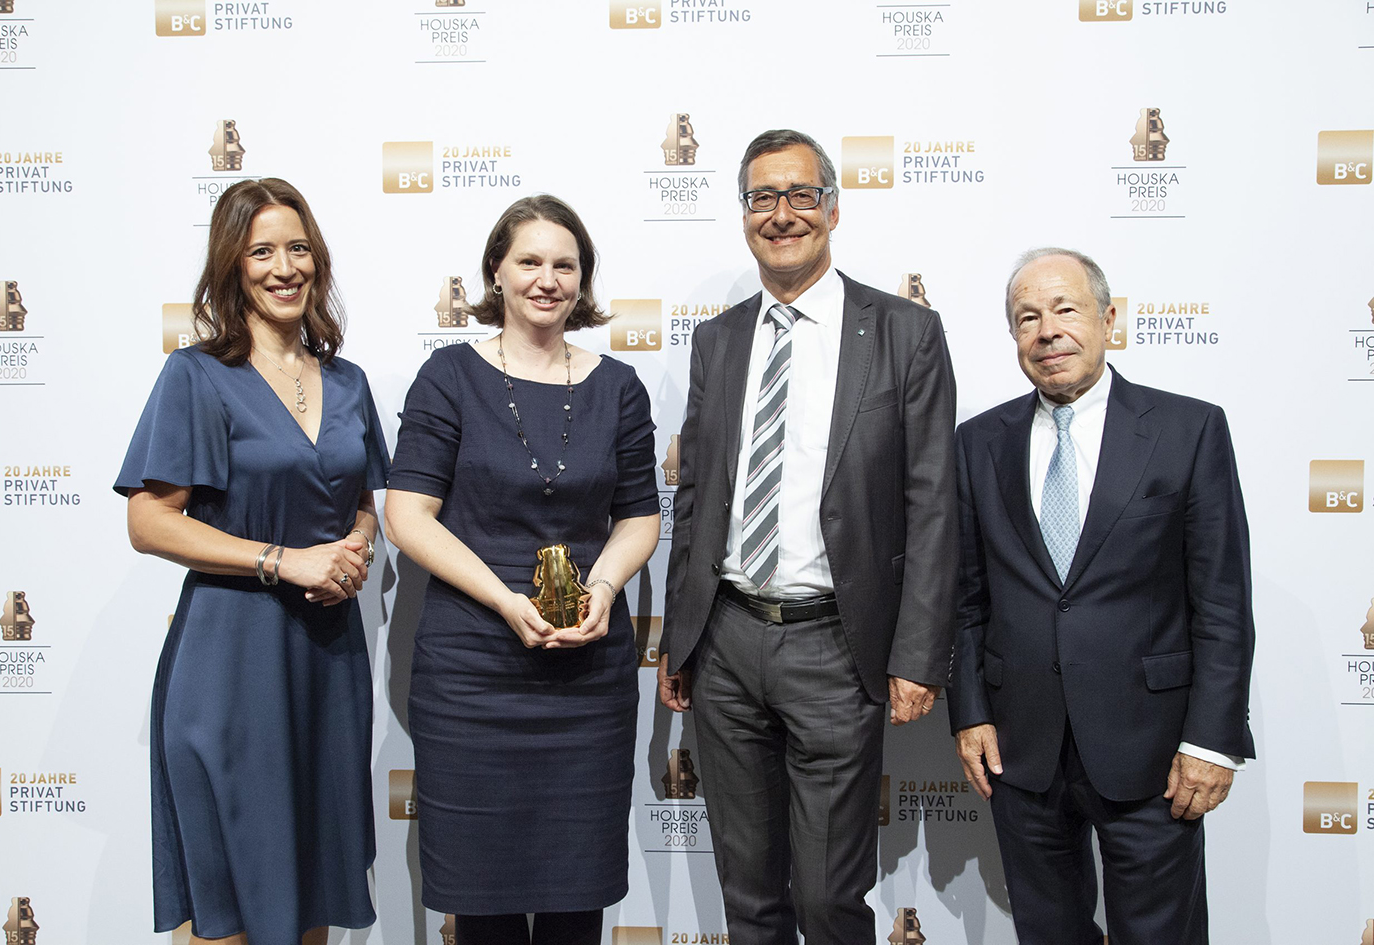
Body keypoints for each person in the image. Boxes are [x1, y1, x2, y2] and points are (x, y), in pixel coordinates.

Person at [657, 129, 959, 944]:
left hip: (836, 644)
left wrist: (917, 654)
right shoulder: (718, 340)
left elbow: (932, 503)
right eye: (761, 197)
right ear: (744, 214)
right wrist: (677, 642)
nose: (780, 214)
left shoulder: (903, 332)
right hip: (724, 641)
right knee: (748, 896)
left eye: (798, 195)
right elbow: (698, 495)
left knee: (828, 897)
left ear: (832, 206)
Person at [948, 248, 1256, 944]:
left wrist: (1211, 738)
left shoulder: (1187, 429)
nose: (1046, 330)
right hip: (1019, 748)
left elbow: (1221, 601)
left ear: (1108, 319)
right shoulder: (976, 444)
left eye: (1064, 309)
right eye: (1026, 317)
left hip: (1152, 751)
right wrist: (968, 712)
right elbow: (964, 599)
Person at [116, 178, 389, 945]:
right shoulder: (197, 375)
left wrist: (354, 547)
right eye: (260, 250)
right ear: (232, 265)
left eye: (297, 247)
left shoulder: (348, 381)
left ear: (318, 259)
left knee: (308, 900)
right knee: (229, 902)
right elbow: (148, 519)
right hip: (229, 662)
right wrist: (283, 561)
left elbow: (362, 500)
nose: (283, 266)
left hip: (326, 663)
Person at [384, 194, 660, 945]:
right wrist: (506, 601)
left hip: (587, 677)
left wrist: (603, 586)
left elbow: (640, 516)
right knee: (483, 902)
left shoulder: (619, 388)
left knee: (578, 901)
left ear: (583, 279)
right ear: (495, 274)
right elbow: (407, 515)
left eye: (564, 264)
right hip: (473, 672)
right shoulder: (447, 377)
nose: (548, 279)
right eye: (529, 261)